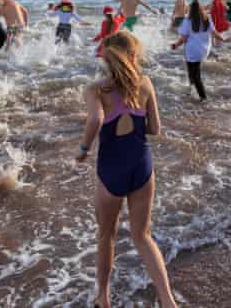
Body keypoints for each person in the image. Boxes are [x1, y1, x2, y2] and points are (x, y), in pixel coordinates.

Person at [75, 32, 177, 308]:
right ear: (134, 55)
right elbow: (155, 129)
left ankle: (103, 297)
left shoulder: (96, 89)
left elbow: (96, 119)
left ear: (106, 57)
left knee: (106, 235)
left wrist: (83, 150)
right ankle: (168, 300)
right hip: (142, 166)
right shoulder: (145, 83)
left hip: (111, 169)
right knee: (142, 235)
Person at [171, 0, 228, 101]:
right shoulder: (207, 19)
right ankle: (192, 90)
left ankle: (203, 97)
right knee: (194, 71)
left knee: (193, 72)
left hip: (192, 50)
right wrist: (223, 39)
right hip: (204, 50)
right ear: (201, 8)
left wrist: (175, 45)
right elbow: (214, 33)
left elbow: (183, 38)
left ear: (191, 10)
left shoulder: (188, 21)